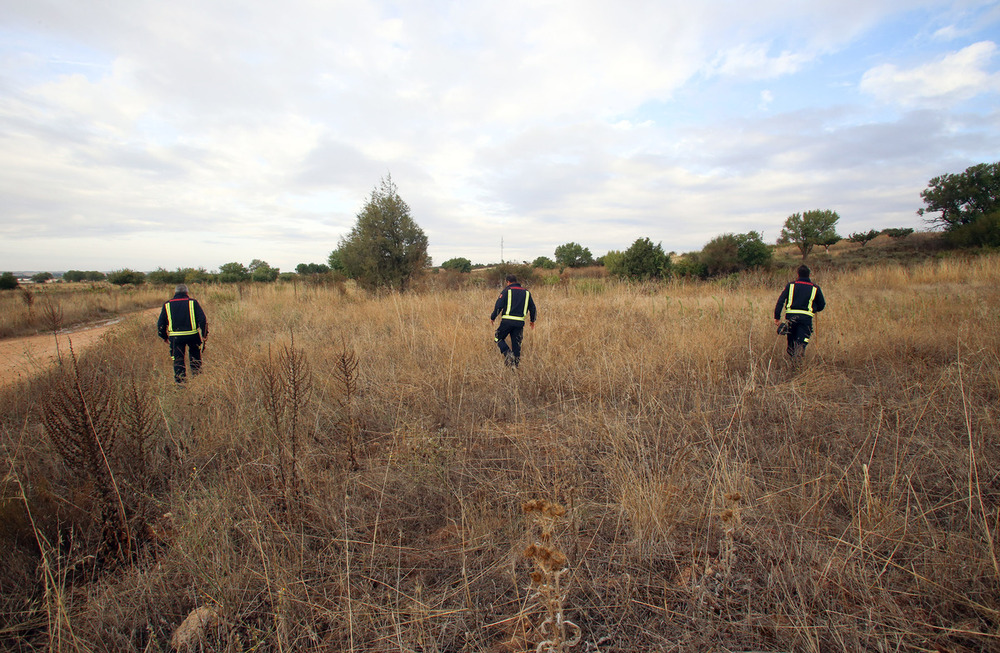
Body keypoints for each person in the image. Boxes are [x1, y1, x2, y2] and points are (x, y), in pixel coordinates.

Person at [157, 284, 209, 383]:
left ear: (175, 292)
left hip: (175, 337)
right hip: (193, 335)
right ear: (186, 292)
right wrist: (204, 335)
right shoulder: (193, 303)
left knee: (178, 359)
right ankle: (197, 378)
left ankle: (181, 383)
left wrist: (164, 337)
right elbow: (202, 319)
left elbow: (161, 324)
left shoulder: (167, 304)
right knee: (195, 357)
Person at [774, 265, 825, 362]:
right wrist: (815, 308)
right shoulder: (815, 288)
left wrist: (777, 317)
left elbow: (780, 301)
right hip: (806, 319)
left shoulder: (790, 285)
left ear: (797, 274)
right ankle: (798, 359)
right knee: (802, 341)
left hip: (790, 317)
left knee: (791, 342)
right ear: (809, 274)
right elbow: (822, 305)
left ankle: (794, 359)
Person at [490, 274, 537, 368]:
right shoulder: (527, 292)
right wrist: (532, 320)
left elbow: (498, 306)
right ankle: (514, 367)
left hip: (507, 321)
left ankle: (508, 354)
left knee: (497, 338)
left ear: (508, 282)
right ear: (516, 281)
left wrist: (493, 317)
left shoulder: (507, 290)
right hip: (519, 323)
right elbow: (532, 308)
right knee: (517, 345)